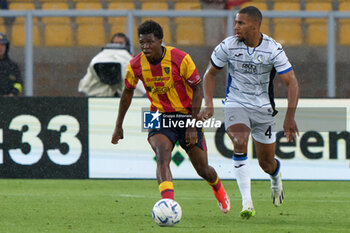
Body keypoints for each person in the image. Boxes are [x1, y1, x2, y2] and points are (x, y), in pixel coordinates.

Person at [111, 20, 231, 213]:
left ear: (160, 41)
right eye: (142, 43)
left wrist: (192, 125)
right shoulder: (135, 64)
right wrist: (118, 126)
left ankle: (217, 187)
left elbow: (197, 89)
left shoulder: (180, 58)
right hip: (158, 116)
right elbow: (127, 93)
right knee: (162, 156)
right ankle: (168, 205)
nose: (145, 47)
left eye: (150, 42)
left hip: (186, 115)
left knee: (202, 169)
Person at [198, 6, 299, 219]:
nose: (235, 26)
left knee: (266, 164)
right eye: (235, 22)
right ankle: (247, 202)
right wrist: (208, 103)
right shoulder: (228, 45)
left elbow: (292, 82)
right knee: (240, 140)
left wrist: (290, 116)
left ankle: (275, 177)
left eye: (240, 23)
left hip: (263, 109)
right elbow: (209, 74)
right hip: (235, 103)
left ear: (255, 25)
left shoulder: (273, 49)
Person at [78, 33, 145, 97]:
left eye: (121, 43)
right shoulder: (100, 58)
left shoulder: (130, 59)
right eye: (115, 43)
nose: (117, 45)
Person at [0, 32, 22, 96]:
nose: (0, 48)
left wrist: (12, 94)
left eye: (2, 45)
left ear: (6, 47)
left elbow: (18, 84)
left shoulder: (12, 66)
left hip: (9, 103)